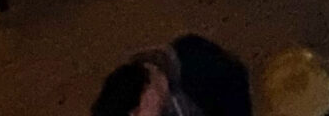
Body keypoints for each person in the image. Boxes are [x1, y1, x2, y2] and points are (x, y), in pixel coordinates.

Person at [90, 36, 252, 116]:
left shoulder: (197, 63)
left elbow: (236, 95)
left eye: (138, 113)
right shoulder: (163, 101)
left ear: (147, 93)